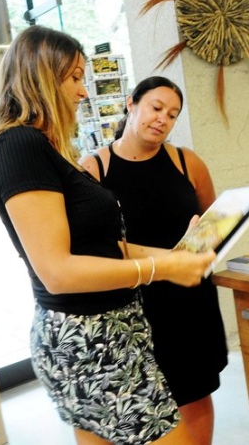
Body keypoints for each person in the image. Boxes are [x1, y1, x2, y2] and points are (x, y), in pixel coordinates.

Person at [0, 26, 216, 444]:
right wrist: (160, 268)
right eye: (74, 78)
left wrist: (175, 258)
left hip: (112, 331)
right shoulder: (19, 147)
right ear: (41, 76)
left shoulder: (44, 148)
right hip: (89, 340)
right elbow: (58, 271)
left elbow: (105, 247)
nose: (82, 92)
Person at [80, 76, 227, 444]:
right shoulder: (94, 169)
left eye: (173, 114)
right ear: (131, 104)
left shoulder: (186, 162)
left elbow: (216, 223)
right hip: (133, 305)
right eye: (156, 108)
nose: (163, 119)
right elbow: (92, 245)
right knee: (140, 404)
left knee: (194, 395)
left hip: (190, 300)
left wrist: (205, 239)